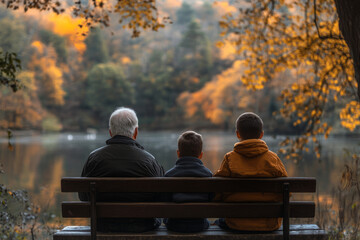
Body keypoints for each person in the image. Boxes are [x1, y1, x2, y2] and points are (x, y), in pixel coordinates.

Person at [79, 107, 164, 232]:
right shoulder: (149, 160)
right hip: (142, 226)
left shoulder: (94, 158)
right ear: (135, 132)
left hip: (103, 226)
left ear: (110, 132)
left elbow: (83, 196)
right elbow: (161, 196)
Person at [214, 112, 288, 231]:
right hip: (269, 223)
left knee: (218, 222)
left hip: (236, 223)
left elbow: (218, 192)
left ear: (238, 134)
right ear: (261, 134)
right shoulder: (272, 159)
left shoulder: (229, 159)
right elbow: (286, 192)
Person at [163, 131, 213, 233]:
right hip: (200, 225)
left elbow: (164, 201)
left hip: (174, 225)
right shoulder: (208, 175)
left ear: (178, 154)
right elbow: (211, 199)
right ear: (201, 155)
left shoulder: (169, 176)